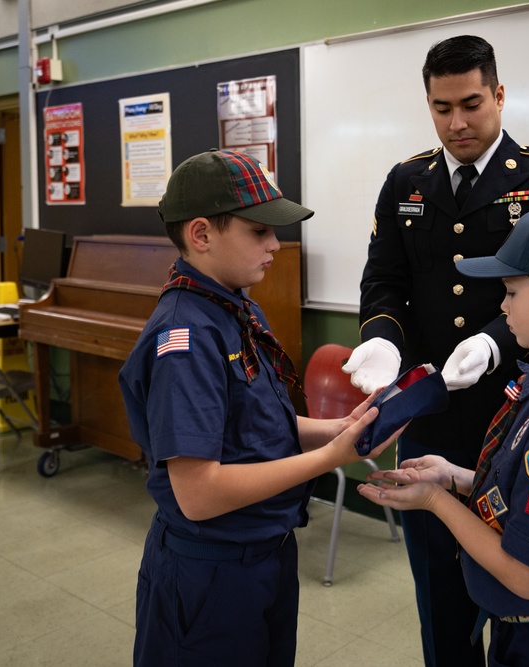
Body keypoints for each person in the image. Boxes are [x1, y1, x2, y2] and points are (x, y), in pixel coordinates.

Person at [343, 34, 529, 666]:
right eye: (441, 107)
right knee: (440, 600)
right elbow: (385, 280)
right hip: (433, 419)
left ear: (500, 95)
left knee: (522, 594)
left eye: (472, 104)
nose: (457, 123)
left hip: (520, 415)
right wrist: (381, 338)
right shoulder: (407, 181)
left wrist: (494, 340)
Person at [118, 149, 402, 667]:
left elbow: (257, 423)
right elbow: (199, 494)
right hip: (211, 571)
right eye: (258, 232)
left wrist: (339, 429)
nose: (275, 244)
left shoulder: (237, 306)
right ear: (201, 235)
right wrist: (329, 457)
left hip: (266, 554)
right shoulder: (186, 338)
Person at [358, 204, 529, 667]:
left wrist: (435, 501)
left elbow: (527, 578)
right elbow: (527, 496)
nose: (501, 306)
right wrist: (457, 478)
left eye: (509, 292)